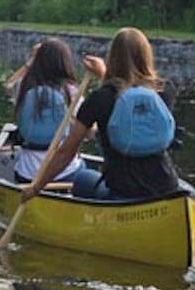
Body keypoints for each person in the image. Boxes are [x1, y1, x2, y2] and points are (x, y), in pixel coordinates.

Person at [20, 27, 180, 203]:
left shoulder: (99, 98)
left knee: (82, 179)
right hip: (167, 186)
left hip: (122, 193)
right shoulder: (165, 90)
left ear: (112, 58)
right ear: (146, 55)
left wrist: (36, 187)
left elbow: (66, 152)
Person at [11, 38, 86, 184]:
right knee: (85, 171)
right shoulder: (72, 92)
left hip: (26, 174)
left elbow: (8, 85)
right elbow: (88, 132)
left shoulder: (23, 87)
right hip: (66, 174)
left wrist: (29, 62)